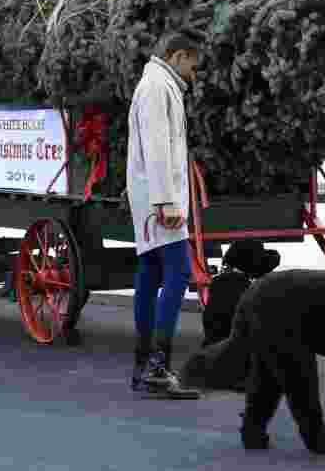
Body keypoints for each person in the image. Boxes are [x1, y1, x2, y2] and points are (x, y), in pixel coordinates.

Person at [127, 28, 204, 399]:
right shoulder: (159, 87)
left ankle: (144, 364)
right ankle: (157, 365)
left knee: (151, 272)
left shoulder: (155, 84)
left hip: (152, 199)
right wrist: (166, 202)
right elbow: (157, 147)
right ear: (177, 56)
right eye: (193, 63)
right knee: (179, 272)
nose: (195, 72)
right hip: (161, 202)